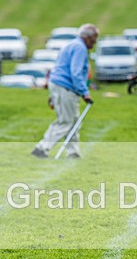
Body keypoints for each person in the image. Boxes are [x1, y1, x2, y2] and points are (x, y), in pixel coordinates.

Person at [32, 24, 99, 159]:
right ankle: (42, 148)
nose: (95, 42)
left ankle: (73, 152)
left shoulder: (72, 44)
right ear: (87, 37)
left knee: (74, 120)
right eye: (94, 38)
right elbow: (76, 73)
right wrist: (84, 92)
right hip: (65, 87)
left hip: (59, 85)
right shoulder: (79, 48)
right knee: (66, 121)